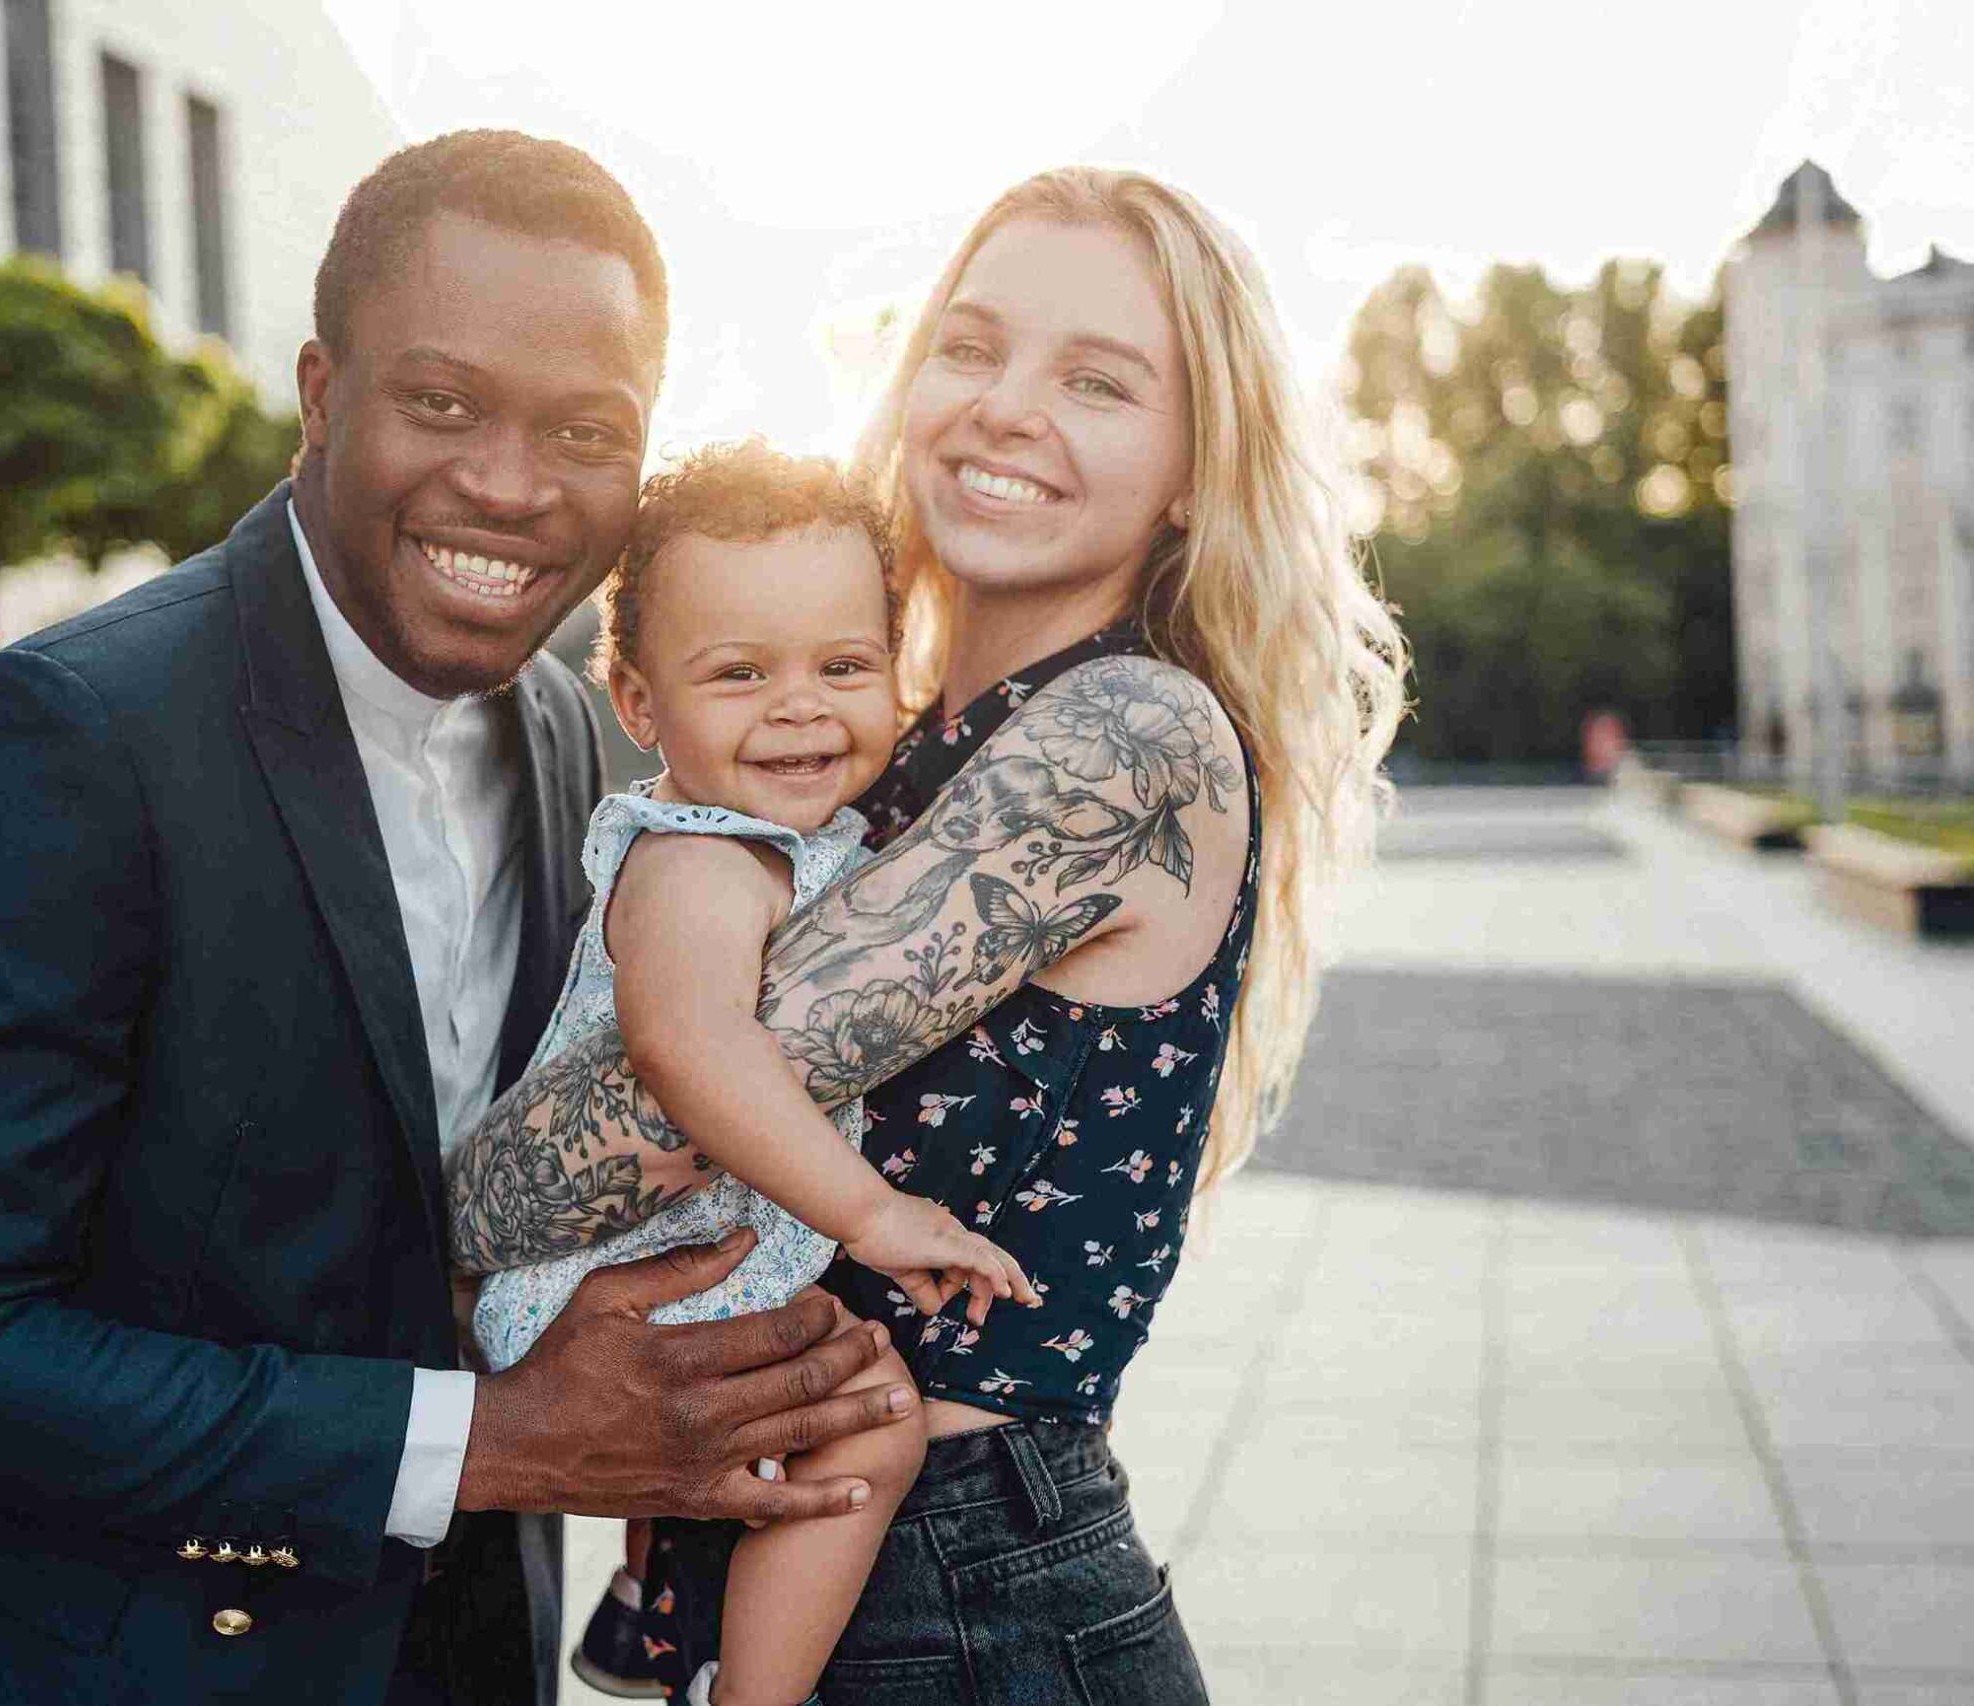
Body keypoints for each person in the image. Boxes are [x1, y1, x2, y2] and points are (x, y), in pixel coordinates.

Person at [0, 131, 916, 1706]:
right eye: (444, 404)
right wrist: (494, 1436)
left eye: (585, 429)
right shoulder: (54, 737)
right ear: (324, 397)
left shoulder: (596, 747)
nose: (512, 486)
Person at [450, 166, 1407, 1705]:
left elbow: (645, 1106)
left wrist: (449, 1239)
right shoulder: (875, 738)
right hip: (830, 1550)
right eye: (971, 348)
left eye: (1097, 379)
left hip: (963, 1596)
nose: (1007, 407)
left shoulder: (1119, 737)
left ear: (1188, 470)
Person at [464, 442, 1040, 1706]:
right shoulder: (697, 861)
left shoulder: (795, 838)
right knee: (870, 1414)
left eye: (843, 666)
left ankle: (639, 1602)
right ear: (638, 706)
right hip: (615, 1279)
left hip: (677, 1252)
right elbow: (687, 1048)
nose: (798, 706)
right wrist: (871, 1211)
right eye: (738, 674)